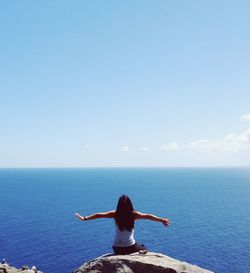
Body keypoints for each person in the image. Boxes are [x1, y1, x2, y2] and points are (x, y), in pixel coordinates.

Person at [75, 194, 171, 255]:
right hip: (130, 247)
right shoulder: (134, 215)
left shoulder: (115, 214)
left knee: (135, 245)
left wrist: (85, 218)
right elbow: (148, 216)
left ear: (118, 205)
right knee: (143, 247)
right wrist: (162, 220)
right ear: (130, 204)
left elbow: (100, 215)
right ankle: (140, 251)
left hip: (116, 248)